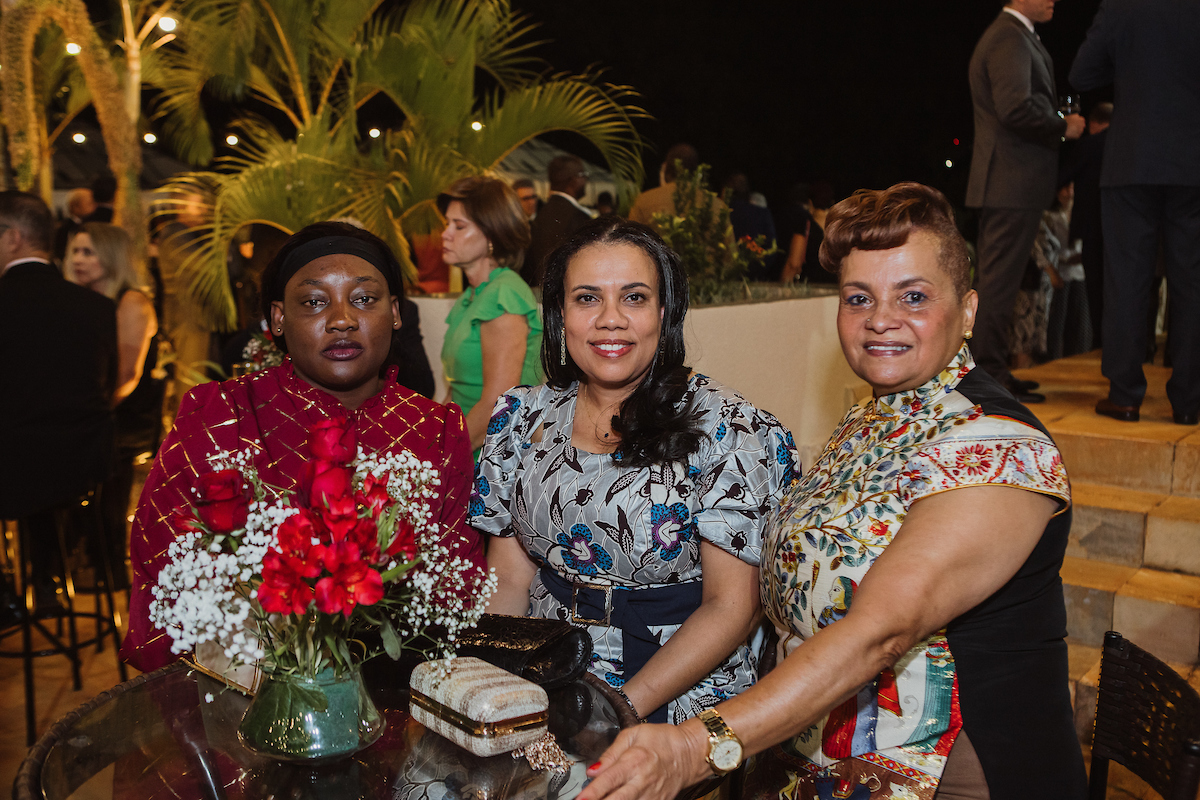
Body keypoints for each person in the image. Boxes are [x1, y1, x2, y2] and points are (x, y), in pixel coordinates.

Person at [578, 184, 1086, 800]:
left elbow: (881, 630)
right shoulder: (872, 419)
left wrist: (694, 745)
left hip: (959, 776)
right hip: (832, 758)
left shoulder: (999, 444)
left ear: (970, 311)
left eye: (914, 297)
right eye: (859, 298)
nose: (881, 320)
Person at [474, 218, 799, 725]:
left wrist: (621, 708)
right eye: (586, 298)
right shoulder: (521, 419)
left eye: (634, 297)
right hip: (544, 680)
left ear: (664, 312)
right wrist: (494, 686)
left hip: (678, 691)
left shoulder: (731, 430)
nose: (610, 320)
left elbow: (731, 607)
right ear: (561, 314)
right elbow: (510, 577)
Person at [121, 221, 487, 672]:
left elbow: (457, 581)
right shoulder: (222, 413)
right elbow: (164, 561)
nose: (341, 319)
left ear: (395, 312)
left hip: (396, 687)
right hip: (246, 693)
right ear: (277, 318)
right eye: (314, 302)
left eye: (364, 299)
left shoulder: (434, 428)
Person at [1070, 0, 1200, 426]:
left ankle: (1125, 396)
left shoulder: (1120, 7)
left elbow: (1081, 74)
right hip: (1191, 160)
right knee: (1192, 282)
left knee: (1126, 279)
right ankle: (1189, 400)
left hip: (1131, 159)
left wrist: (1130, 71)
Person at [0, 191, 117, 602]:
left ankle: (11, 595)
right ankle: (38, 583)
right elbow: (104, 387)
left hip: (14, 472)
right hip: (82, 467)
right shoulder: (98, 307)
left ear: (12, 237)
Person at [967, 0, 1085, 404]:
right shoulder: (1008, 36)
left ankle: (995, 371)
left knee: (1001, 285)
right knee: (998, 287)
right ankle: (989, 376)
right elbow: (1015, 106)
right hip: (1009, 182)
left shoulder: (1016, 36)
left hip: (1011, 183)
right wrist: (1062, 125)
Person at [64, 222, 162, 587]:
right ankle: (66, 563)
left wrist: (80, 416)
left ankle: (103, 569)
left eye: (88, 252)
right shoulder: (78, 303)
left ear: (110, 256)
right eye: (74, 251)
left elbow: (124, 378)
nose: (78, 260)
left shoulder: (132, 302)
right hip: (94, 414)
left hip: (125, 416)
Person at [438, 177, 543, 453]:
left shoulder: (503, 295)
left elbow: (496, 406)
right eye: (447, 223)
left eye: (459, 226)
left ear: (493, 234)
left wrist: (443, 462)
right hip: (462, 441)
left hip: (487, 456)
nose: (445, 233)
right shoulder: (472, 296)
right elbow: (455, 389)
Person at [1058, 102, 1112, 349]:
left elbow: (1062, 176)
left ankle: (1103, 346)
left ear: (1092, 124)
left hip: (1093, 229)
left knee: (1098, 294)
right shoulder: (1128, 145)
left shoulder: (1089, 145)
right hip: (1126, 232)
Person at [523, 155, 595, 287]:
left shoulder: (541, 216)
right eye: (583, 175)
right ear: (573, 181)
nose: (585, 180)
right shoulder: (578, 218)